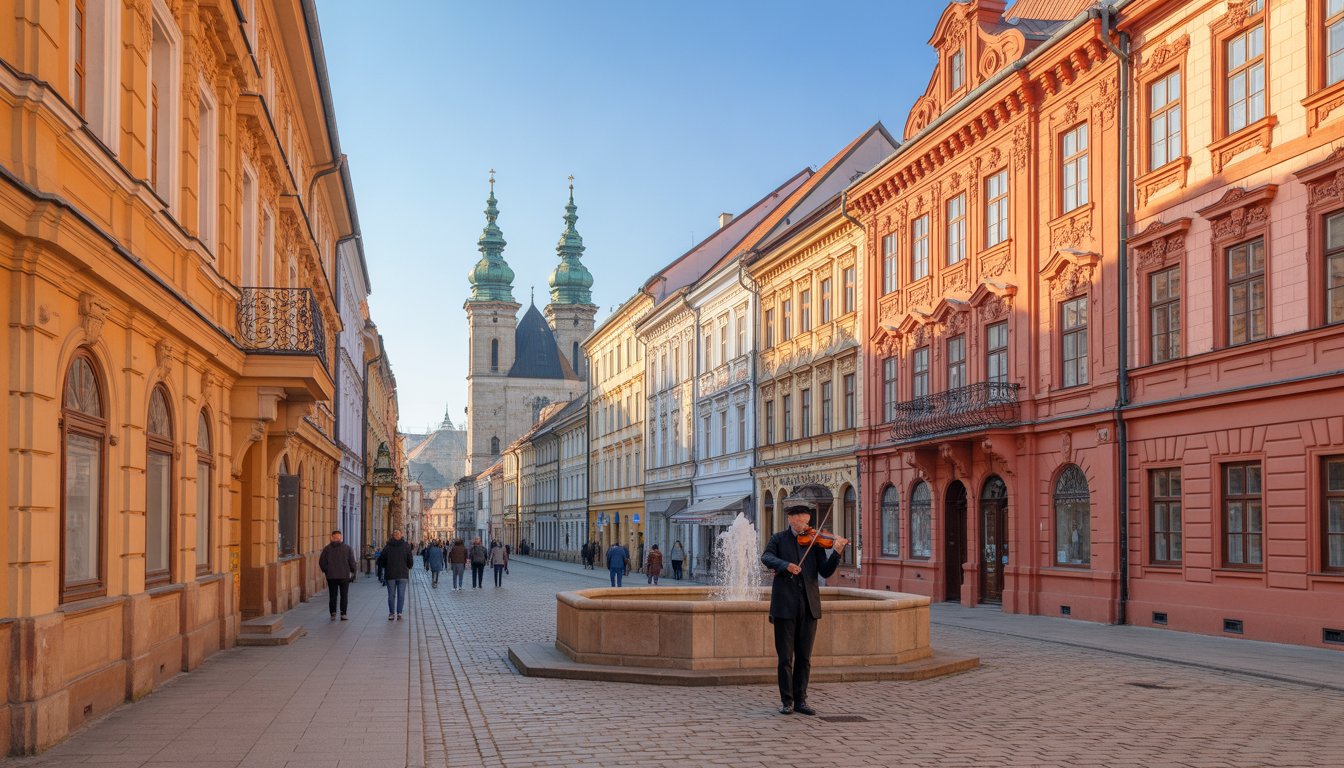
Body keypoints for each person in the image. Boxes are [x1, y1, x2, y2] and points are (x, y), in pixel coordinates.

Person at [760, 505, 848, 716]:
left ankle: (801, 700)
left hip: (809, 606)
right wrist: (786, 565)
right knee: (785, 658)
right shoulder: (778, 539)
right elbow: (766, 557)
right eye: (803, 522)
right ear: (791, 520)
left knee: (805, 658)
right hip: (784, 606)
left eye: (808, 522)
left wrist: (836, 552)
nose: (807, 527)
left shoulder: (815, 542)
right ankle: (787, 701)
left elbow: (825, 571)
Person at [318, 529, 357, 621]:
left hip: (331, 577)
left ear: (332, 538)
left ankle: (333, 613)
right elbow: (352, 562)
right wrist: (353, 572)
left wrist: (327, 570)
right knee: (344, 595)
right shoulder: (347, 548)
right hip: (344, 576)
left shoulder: (327, 549)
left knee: (333, 595)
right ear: (341, 538)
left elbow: (322, 562)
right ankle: (343, 613)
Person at [376, 529, 414, 621]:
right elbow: (410, 560)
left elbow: (381, 560)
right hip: (402, 574)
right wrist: (408, 566)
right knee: (401, 595)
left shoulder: (387, 547)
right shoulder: (406, 546)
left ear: (393, 536)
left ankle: (391, 613)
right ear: (401, 535)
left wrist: (387, 566)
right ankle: (399, 613)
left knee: (391, 594)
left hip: (390, 574)